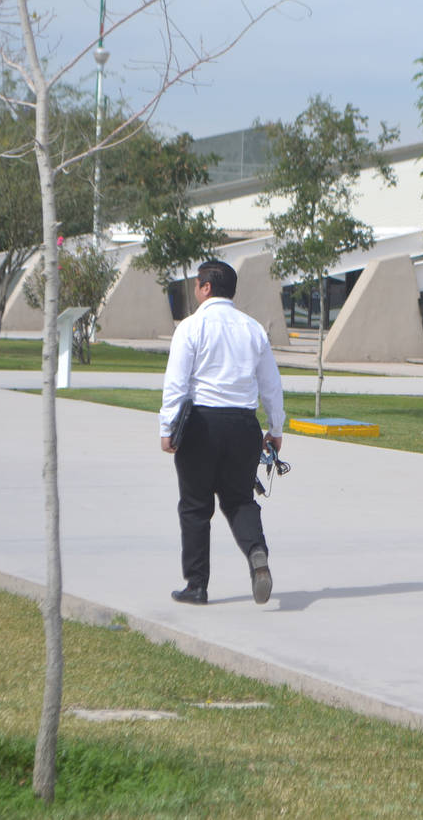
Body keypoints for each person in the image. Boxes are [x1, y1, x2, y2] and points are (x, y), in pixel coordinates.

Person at [159, 260, 285, 606]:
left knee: (196, 506)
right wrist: (275, 428)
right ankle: (257, 554)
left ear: (206, 288)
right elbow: (271, 384)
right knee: (240, 499)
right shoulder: (253, 329)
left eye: (197, 284)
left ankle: (197, 585)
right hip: (243, 425)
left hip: (201, 424)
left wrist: (167, 427)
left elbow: (177, 383)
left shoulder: (191, 327)